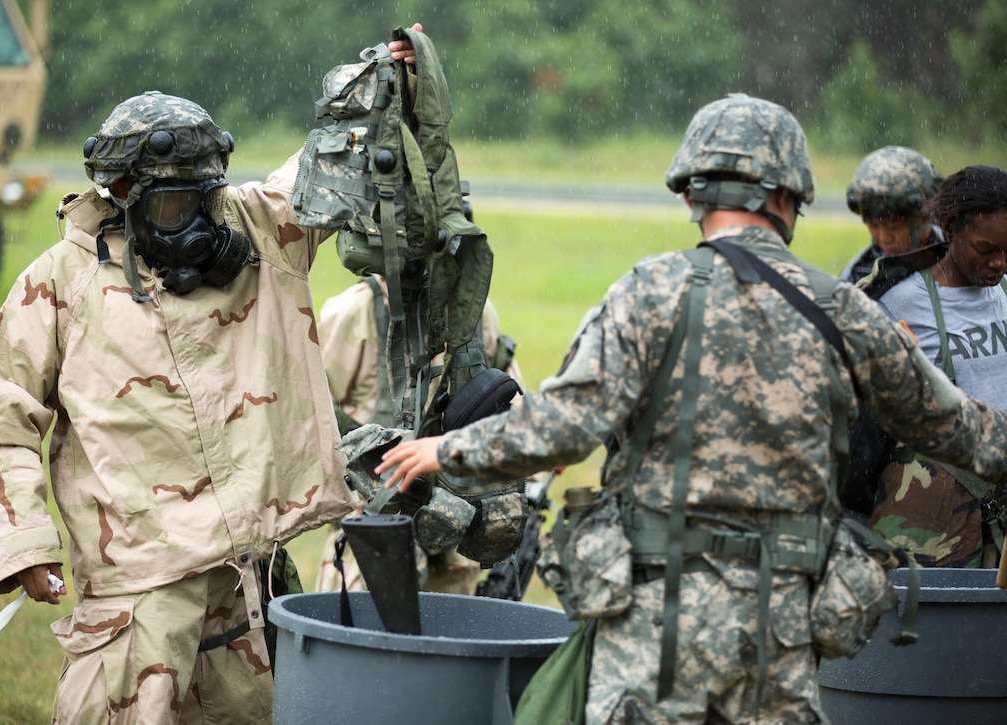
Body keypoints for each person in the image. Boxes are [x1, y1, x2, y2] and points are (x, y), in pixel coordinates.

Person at [377, 94, 1007, 723]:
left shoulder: (647, 294)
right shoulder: (848, 312)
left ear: (689, 197)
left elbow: (565, 427)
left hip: (654, 630)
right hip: (779, 634)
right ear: (792, 199)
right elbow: (963, 430)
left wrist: (445, 449)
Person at [0, 32, 421, 725]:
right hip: (137, 584)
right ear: (122, 196)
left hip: (246, 581)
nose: (195, 226)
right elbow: (5, 415)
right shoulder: (58, 283)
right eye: (172, 208)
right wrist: (23, 542)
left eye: (203, 200)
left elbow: (329, 159)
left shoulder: (258, 231)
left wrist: (386, 80)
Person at [314, 270, 524, 595]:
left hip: (456, 523)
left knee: (452, 639)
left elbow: (507, 402)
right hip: (375, 530)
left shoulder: (474, 310)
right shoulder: (354, 312)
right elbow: (315, 411)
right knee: (366, 635)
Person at [869, 165, 1007, 568]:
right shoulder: (901, 305)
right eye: (985, 249)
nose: (999, 263)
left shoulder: (1003, 293)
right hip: (934, 519)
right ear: (951, 229)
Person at [840, 146, 944, 284]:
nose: (884, 238)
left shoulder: (958, 263)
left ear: (925, 216)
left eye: (893, 226)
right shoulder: (857, 277)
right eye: (874, 225)